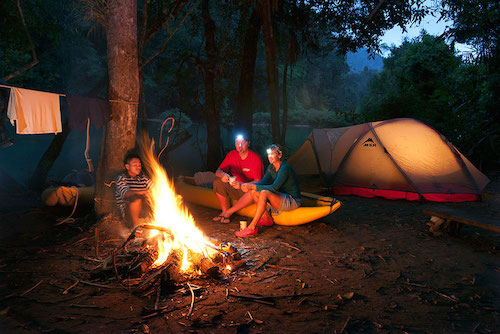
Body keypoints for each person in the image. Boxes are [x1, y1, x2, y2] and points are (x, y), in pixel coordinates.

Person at [235, 144, 301, 237]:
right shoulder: (271, 167)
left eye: (272, 154)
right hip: (280, 196)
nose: (269, 157)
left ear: (280, 155)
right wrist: (248, 185)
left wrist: (253, 187)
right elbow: (262, 182)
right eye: (268, 154)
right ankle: (267, 219)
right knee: (254, 192)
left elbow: (274, 187)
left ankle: (251, 228)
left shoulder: (285, 168)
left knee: (264, 192)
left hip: (292, 200)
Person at [212, 132, 264, 223]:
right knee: (217, 181)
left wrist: (242, 185)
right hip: (234, 188)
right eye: (237, 143)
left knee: (254, 191)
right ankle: (224, 211)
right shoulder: (232, 155)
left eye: (243, 143)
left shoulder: (255, 158)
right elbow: (218, 171)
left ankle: (228, 212)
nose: (239, 146)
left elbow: (259, 181)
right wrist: (223, 175)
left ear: (248, 143)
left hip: (247, 192)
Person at [115, 152, 152, 230]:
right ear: (127, 166)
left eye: (139, 165)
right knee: (136, 199)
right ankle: (136, 227)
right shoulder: (122, 178)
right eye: (135, 165)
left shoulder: (143, 178)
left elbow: (155, 188)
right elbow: (125, 194)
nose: (138, 167)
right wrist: (143, 192)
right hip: (128, 211)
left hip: (144, 209)